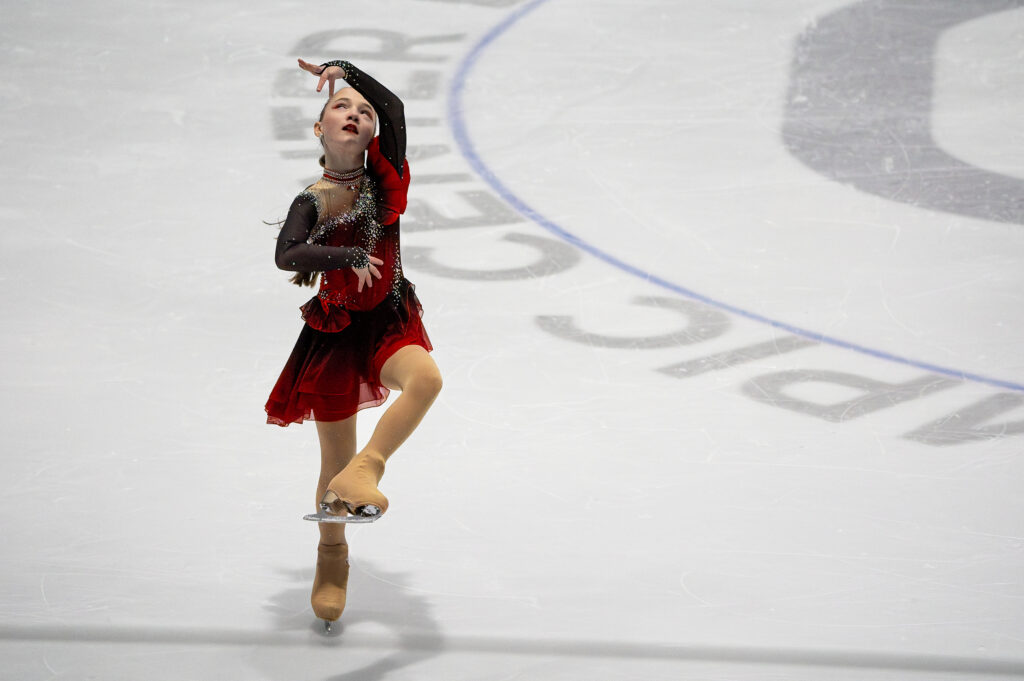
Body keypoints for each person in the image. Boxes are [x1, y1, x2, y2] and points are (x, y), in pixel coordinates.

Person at [264, 58, 443, 628]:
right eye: (341, 105)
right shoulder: (312, 200)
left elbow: (394, 107)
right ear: (319, 129)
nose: (355, 113)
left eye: (363, 113)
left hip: (388, 319)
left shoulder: (386, 181)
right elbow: (287, 255)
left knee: (426, 379)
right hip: (337, 332)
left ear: (371, 135)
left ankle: (370, 467)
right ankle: (331, 556)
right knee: (332, 462)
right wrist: (349, 255)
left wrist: (345, 71)